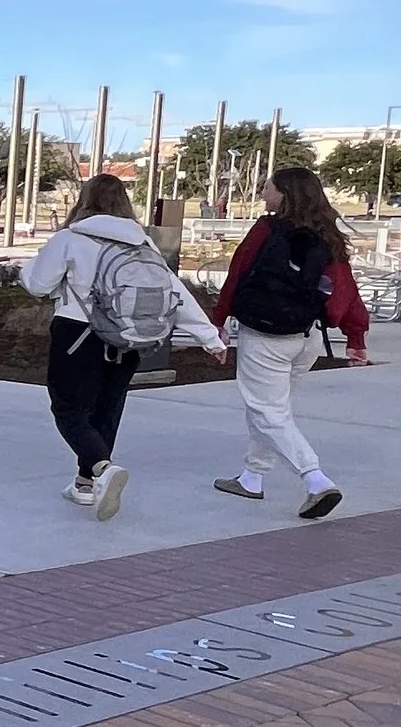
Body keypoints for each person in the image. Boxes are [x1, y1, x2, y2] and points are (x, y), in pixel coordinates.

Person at [21, 172, 223, 519]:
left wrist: (29, 270)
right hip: (129, 335)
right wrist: (209, 337)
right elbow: (175, 293)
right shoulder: (143, 242)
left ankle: (102, 468)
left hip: (78, 333)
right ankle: (86, 483)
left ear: (85, 200)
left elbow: (38, 284)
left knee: (68, 409)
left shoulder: (71, 238)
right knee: (107, 408)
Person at [213, 163, 371, 520]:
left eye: (269, 188)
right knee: (271, 411)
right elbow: (346, 289)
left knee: (268, 412)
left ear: (285, 195)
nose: (264, 194)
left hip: (265, 337)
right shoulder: (325, 234)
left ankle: (315, 480)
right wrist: (355, 336)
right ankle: (252, 477)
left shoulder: (267, 230)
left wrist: (217, 321)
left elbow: (237, 275)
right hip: (306, 336)